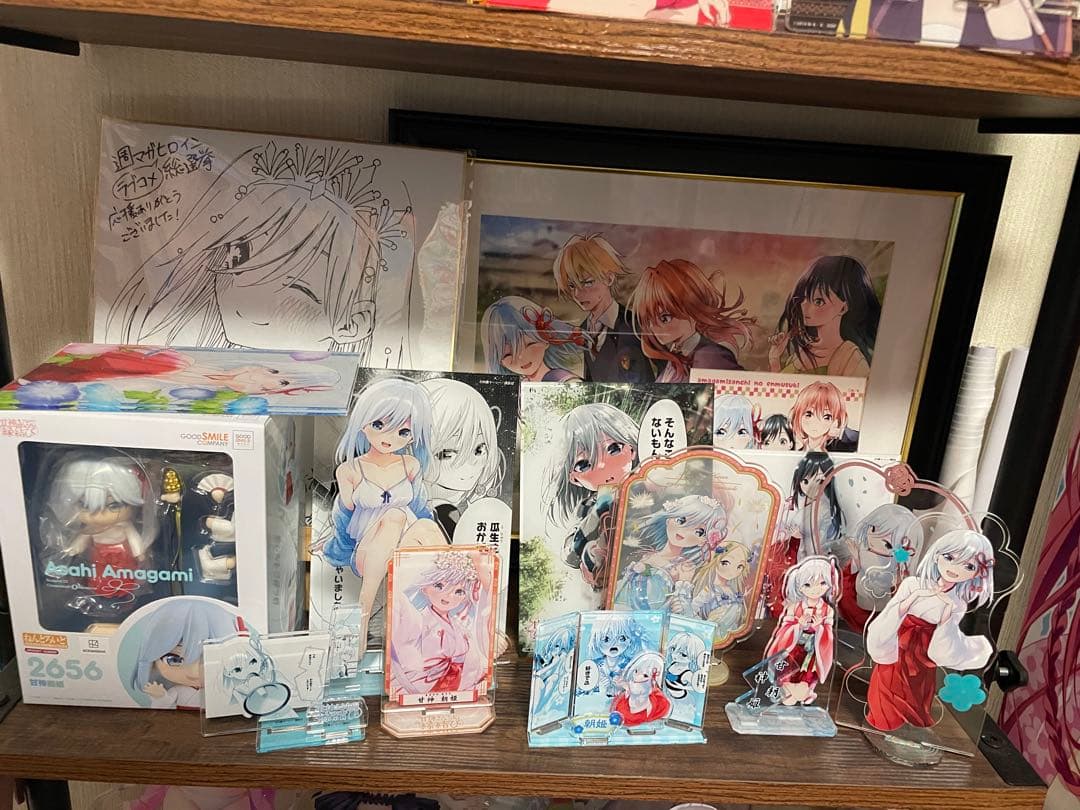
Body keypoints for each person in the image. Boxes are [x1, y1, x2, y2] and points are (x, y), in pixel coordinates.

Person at [318, 378, 448, 641]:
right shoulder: (350, 470)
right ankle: (364, 613)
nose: (389, 437)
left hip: (405, 548)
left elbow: (420, 510)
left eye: (403, 431)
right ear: (362, 423)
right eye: (379, 425)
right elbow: (343, 519)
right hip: (368, 553)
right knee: (395, 515)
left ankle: (454, 610)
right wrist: (334, 547)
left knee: (426, 525)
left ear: (414, 435)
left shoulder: (410, 465)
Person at [865, 530, 995, 731]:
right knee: (885, 692)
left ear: (977, 573)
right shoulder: (913, 584)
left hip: (923, 655)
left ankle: (907, 731)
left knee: (915, 696)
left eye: (968, 566)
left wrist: (946, 616)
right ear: (936, 556)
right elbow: (892, 613)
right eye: (949, 557)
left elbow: (945, 636)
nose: (954, 568)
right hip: (896, 646)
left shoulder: (958, 603)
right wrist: (913, 598)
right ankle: (881, 723)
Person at [546, 402, 639, 589]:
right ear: (573, 478)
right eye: (584, 464)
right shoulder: (588, 507)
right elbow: (570, 555)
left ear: (632, 449)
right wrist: (597, 512)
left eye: (614, 448)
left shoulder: (646, 488)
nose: (603, 466)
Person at [629, 259, 754, 382]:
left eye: (665, 318)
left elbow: (742, 390)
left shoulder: (709, 356)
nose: (654, 327)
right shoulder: (676, 357)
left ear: (693, 310)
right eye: (649, 320)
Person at [553, 234, 655, 383]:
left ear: (609, 278)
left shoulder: (634, 324)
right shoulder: (584, 329)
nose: (577, 294)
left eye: (588, 283)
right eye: (572, 286)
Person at [421, 378, 506, 541]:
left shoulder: (473, 509)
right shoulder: (421, 513)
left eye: (479, 450)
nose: (469, 466)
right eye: (447, 454)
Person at [769, 255, 881, 378]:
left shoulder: (850, 358)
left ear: (843, 308)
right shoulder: (802, 352)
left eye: (818, 301)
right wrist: (775, 360)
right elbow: (781, 387)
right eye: (803, 298)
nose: (804, 306)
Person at [130, 599, 238, 709]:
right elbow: (165, 706)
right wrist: (161, 696)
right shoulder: (178, 691)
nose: (193, 673)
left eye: (209, 658)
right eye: (174, 660)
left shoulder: (220, 689)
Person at [764, 556, 838, 706]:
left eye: (822, 583)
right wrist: (798, 626)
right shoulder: (795, 607)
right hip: (794, 646)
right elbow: (784, 628)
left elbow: (828, 635)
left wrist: (819, 629)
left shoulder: (827, 610)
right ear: (800, 586)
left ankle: (804, 690)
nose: (816, 589)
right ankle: (788, 689)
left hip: (813, 650)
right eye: (808, 584)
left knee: (808, 672)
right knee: (786, 669)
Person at [481, 296, 588, 381]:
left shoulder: (562, 380)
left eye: (529, 344)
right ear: (499, 361)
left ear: (546, 340)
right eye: (508, 354)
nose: (521, 357)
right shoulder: (521, 383)